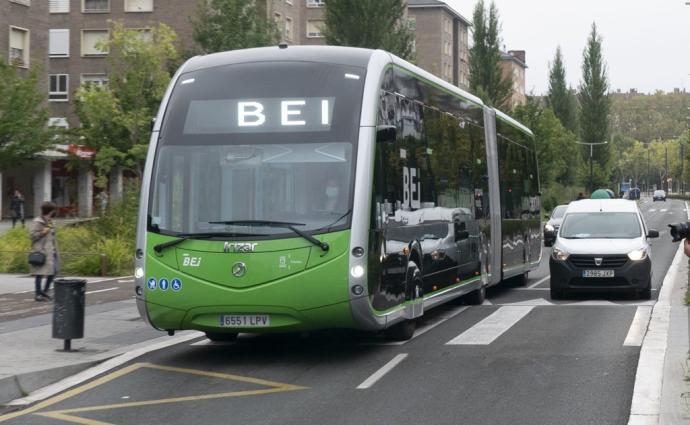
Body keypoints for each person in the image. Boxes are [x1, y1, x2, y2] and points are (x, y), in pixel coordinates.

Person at [29, 202, 59, 302]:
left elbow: (53, 237)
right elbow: (32, 236)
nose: (54, 212)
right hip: (41, 251)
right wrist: (43, 232)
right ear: (50, 211)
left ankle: (45, 291)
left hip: (51, 251)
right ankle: (38, 294)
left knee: (53, 272)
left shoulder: (51, 222)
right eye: (53, 210)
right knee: (39, 273)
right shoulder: (37, 221)